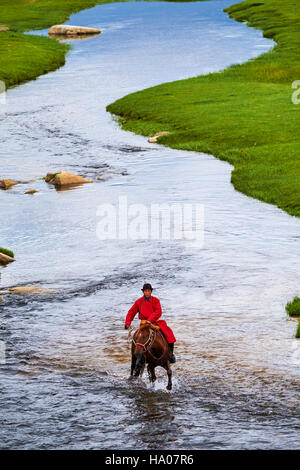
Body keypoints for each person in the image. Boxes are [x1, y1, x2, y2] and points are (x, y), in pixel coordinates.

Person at [124, 283, 176, 363]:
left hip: (155, 323)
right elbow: (131, 312)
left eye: (149, 291)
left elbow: (158, 311)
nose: (147, 293)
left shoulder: (156, 300)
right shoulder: (138, 302)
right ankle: (137, 358)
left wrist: (150, 320)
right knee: (138, 339)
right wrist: (128, 322)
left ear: (151, 291)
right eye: (145, 291)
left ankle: (170, 354)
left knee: (169, 334)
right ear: (143, 292)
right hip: (144, 325)